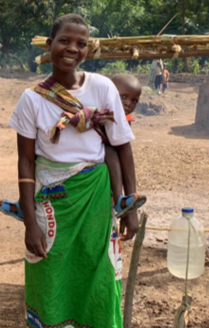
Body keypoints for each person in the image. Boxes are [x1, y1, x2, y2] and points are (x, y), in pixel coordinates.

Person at [3, 13, 140, 327]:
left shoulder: (103, 87)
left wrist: (129, 206)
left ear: (87, 51)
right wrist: (29, 223)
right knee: (48, 270)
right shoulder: (31, 100)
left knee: (98, 272)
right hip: (50, 202)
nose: (72, 48)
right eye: (64, 40)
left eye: (81, 43)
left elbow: (122, 146)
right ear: (50, 45)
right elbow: (25, 161)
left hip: (96, 199)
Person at [0, 73, 145, 220]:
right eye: (123, 97)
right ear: (112, 94)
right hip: (52, 168)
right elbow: (26, 160)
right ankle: (23, 204)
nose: (128, 104)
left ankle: (119, 198)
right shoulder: (34, 97)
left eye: (134, 101)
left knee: (111, 152)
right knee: (35, 154)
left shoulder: (119, 114)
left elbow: (122, 145)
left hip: (97, 172)